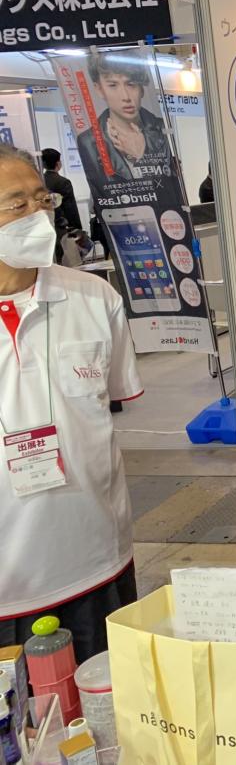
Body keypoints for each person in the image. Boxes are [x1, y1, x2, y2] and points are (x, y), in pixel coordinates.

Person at [0, 145, 141, 664]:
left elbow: (112, 400)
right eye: (17, 204)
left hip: (97, 562)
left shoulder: (95, 299)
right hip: (7, 586)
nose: (37, 216)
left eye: (43, 201)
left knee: (106, 699)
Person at [76, 52, 172, 190]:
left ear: (141, 89)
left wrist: (141, 157)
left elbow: (170, 189)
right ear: (99, 89)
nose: (125, 97)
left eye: (131, 84)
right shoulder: (89, 141)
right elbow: (102, 192)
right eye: (113, 85)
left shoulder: (161, 129)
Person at [39, 148, 81, 264]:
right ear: (58, 163)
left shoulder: (40, 182)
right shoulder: (63, 182)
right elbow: (70, 208)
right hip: (62, 228)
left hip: (46, 228)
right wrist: (77, 228)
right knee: (70, 263)